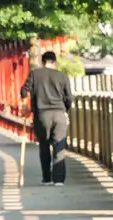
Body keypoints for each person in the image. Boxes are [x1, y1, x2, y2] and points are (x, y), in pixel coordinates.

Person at [19, 51, 73, 186]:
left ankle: (47, 178)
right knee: (59, 146)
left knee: (44, 146)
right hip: (59, 114)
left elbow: (24, 91)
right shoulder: (62, 76)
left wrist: (25, 102)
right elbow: (69, 98)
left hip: (41, 115)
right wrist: (65, 110)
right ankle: (58, 180)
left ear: (42, 62)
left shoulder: (35, 74)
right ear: (54, 62)